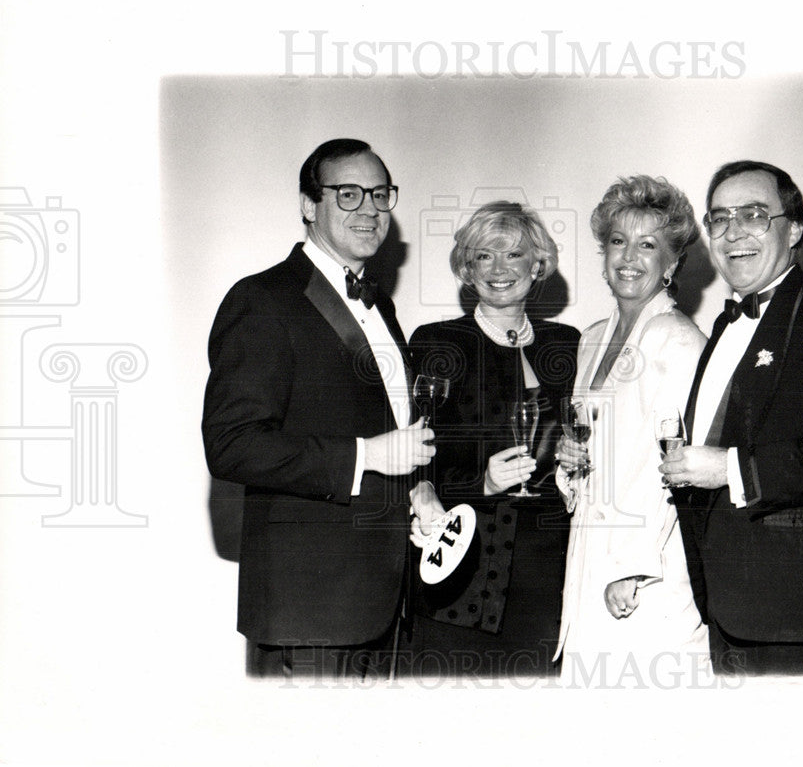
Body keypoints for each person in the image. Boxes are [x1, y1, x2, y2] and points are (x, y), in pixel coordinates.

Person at [202, 138, 440, 679]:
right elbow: (231, 445)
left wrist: (417, 489)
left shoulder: (381, 305)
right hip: (308, 607)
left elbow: (390, 430)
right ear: (309, 206)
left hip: (386, 603)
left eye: (381, 195)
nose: (370, 210)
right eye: (349, 194)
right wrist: (367, 456)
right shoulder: (262, 299)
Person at [662, 160, 803, 676]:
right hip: (722, 608)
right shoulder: (721, 327)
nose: (733, 231)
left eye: (755, 214)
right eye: (719, 218)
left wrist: (730, 469)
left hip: (796, 619)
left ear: (795, 228)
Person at [407, 201, 579, 678]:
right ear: (467, 268)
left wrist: (574, 459)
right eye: (484, 256)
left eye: (515, 255)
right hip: (465, 566)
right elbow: (414, 462)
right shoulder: (436, 343)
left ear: (537, 264)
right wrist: (480, 483)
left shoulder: (566, 343)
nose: (500, 269)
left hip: (547, 566)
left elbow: (585, 439)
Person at [555, 176, 711, 688]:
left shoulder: (680, 340)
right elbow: (593, 446)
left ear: (671, 264)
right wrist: (569, 463)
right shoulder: (591, 340)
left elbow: (674, 465)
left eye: (649, 245)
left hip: (647, 568)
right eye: (618, 241)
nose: (629, 257)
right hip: (589, 557)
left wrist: (633, 566)